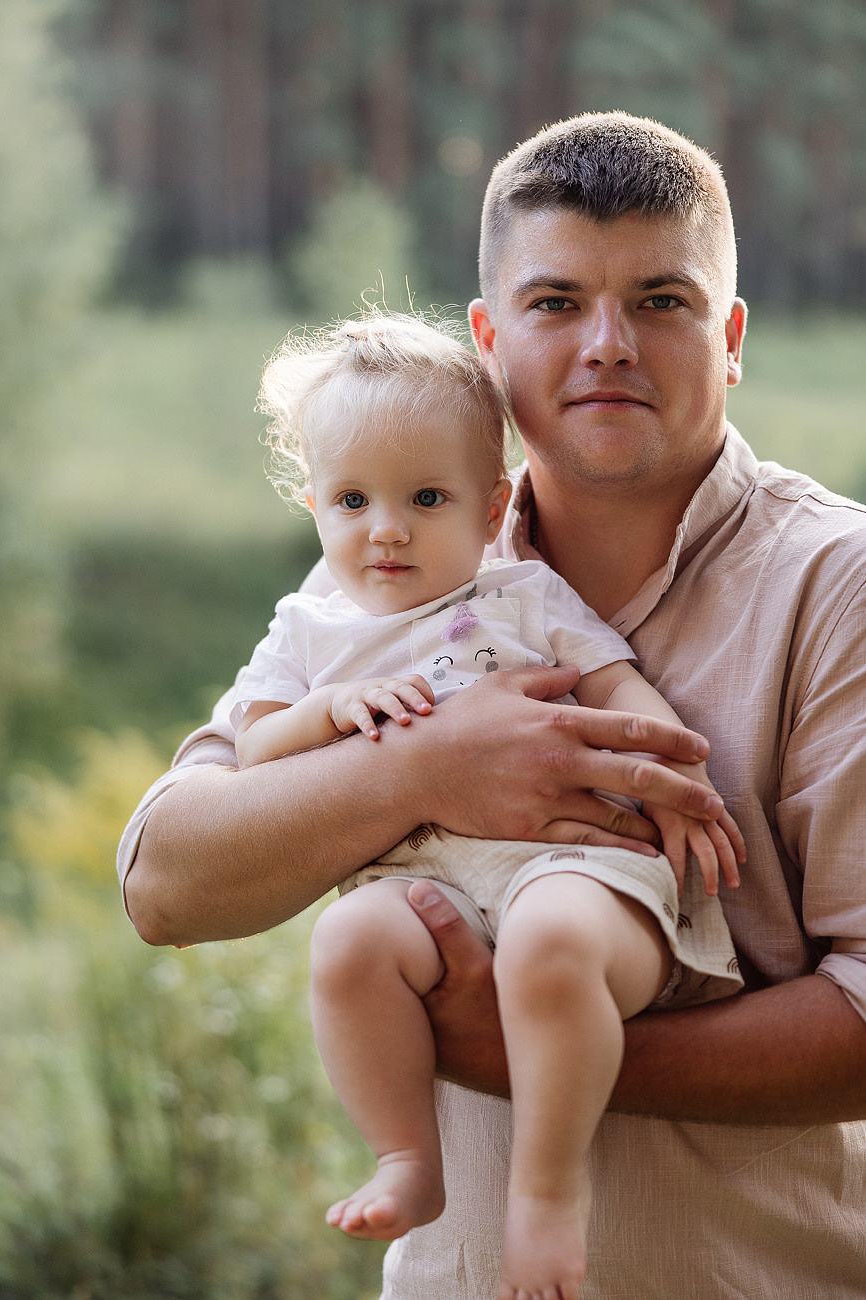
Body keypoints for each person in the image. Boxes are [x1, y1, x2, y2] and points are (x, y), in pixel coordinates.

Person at [118, 111, 866, 1299]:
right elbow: (163, 878)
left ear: (730, 338)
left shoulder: (838, 584)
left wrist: (512, 1048)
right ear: (489, 341)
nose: (607, 343)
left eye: (662, 302)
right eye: (557, 302)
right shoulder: (383, 568)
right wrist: (419, 770)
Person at [230, 312, 743, 1298]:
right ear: (313, 504)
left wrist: (677, 781)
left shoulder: (523, 594)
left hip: (573, 863)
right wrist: (328, 712)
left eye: (426, 497)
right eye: (351, 499)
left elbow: (619, 686)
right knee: (347, 947)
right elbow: (255, 747)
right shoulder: (308, 631)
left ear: (490, 501)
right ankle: (405, 1156)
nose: (387, 527)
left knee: (551, 944)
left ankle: (546, 1199)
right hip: (428, 887)